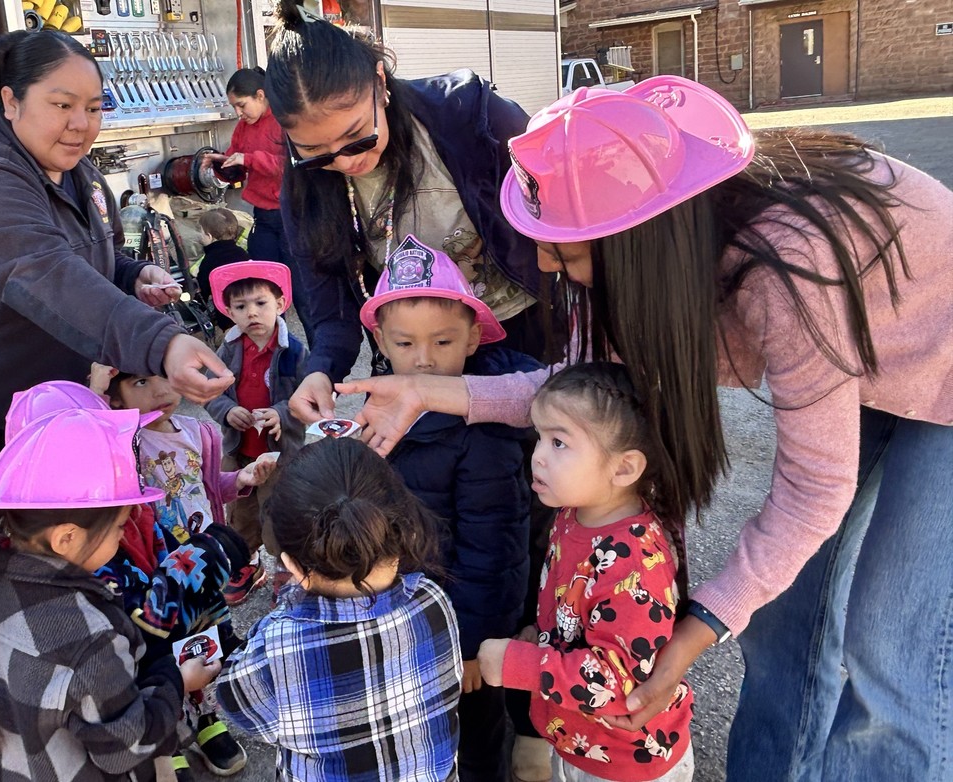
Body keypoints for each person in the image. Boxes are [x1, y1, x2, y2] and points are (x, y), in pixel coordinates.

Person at [339, 77, 953, 781]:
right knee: (785, 624)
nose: (544, 265)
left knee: (891, 647)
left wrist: (695, 631)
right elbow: (567, 393)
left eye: (565, 251)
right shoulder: (651, 273)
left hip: (943, 359)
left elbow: (816, 489)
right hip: (855, 348)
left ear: (639, 241)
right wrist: (424, 390)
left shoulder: (783, 269)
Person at [0, 34, 232, 756]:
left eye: (94, 107)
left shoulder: (77, 172)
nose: (80, 123)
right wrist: (156, 342)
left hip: (45, 418)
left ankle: (82, 692)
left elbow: (86, 253)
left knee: (54, 567)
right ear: (8, 102)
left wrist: (132, 278)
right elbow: (43, 272)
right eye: (61, 105)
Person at [266, 0, 563, 427]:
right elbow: (329, 306)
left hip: (521, 329)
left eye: (356, 138)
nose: (346, 161)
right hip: (415, 356)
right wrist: (321, 370)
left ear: (380, 83)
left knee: (534, 459)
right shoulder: (303, 189)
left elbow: (563, 223)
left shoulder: (472, 116)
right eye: (316, 154)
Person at [0, 406, 222, 780]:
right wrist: (177, 682)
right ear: (67, 537)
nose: (124, 533)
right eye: (119, 526)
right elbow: (126, 749)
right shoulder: (85, 634)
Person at [359, 233, 539, 780]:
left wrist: (472, 646)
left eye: (442, 342)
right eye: (406, 343)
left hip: (463, 637)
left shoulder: (482, 428)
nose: (424, 360)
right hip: (399, 620)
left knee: (476, 740)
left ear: (472, 339)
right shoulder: (378, 406)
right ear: (381, 341)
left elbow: (496, 551)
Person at [477, 363, 695, 782]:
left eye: (559, 442)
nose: (537, 455)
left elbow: (619, 680)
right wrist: (541, 638)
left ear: (624, 468)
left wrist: (519, 664)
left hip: (625, 762)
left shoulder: (633, 561)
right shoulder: (573, 514)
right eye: (539, 437)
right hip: (579, 740)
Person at [215, 437, 463, 782]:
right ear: (401, 525)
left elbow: (240, 707)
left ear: (291, 565)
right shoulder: (433, 599)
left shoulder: (275, 648)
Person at [203, 261, 307, 603]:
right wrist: (227, 410)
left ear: (279, 304)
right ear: (230, 312)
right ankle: (246, 563)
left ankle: (285, 567)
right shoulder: (229, 348)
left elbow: (306, 394)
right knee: (240, 513)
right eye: (241, 306)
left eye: (260, 303)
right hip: (239, 449)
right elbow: (210, 390)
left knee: (278, 511)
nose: (252, 313)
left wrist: (281, 413)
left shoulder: (292, 350)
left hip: (280, 454)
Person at [203, 67, 312, 338]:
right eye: (235, 108)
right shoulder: (243, 127)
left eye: (241, 105)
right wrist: (219, 164)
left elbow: (294, 166)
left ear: (260, 95)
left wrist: (248, 159)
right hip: (263, 217)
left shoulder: (285, 121)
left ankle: (320, 360)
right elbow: (236, 165)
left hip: (293, 216)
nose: (239, 113)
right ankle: (272, 354)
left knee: (301, 292)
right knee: (264, 290)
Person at [196, 208, 251, 331]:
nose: (199, 235)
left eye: (201, 231)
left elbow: (202, 291)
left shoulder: (209, 261)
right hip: (250, 309)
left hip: (227, 318)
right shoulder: (242, 254)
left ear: (209, 236)